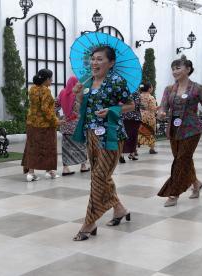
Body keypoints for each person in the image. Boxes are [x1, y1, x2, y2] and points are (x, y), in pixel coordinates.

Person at [72, 46, 135, 241]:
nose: (94, 63)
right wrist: (78, 95)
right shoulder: (88, 81)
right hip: (91, 133)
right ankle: (119, 209)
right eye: (93, 59)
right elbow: (79, 110)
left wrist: (112, 111)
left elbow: (131, 105)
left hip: (111, 135)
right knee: (100, 176)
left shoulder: (117, 82)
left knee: (99, 176)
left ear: (111, 63)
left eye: (99, 59)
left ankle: (89, 223)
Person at [157, 55, 202, 207]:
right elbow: (163, 106)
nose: (175, 71)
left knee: (180, 160)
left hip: (191, 129)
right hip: (174, 129)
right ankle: (196, 184)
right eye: (173, 69)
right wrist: (161, 112)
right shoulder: (169, 89)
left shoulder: (198, 88)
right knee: (184, 159)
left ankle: (173, 193)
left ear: (188, 69)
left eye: (178, 68)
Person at [22, 69, 60, 180]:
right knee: (49, 149)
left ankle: (31, 173)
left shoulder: (32, 89)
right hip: (45, 126)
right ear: (46, 79)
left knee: (32, 147)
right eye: (51, 78)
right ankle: (50, 172)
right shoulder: (46, 91)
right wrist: (56, 121)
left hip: (31, 123)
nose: (52, 81)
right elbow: (45, 109)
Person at [56, 76, 89, 176]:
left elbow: (55, 106)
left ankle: (66, 168)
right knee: (81, 146)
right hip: (77, 125)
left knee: (66, 147)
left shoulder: (62, 93)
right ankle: (83, 166)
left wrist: (58, 118)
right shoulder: (78, 94)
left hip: (65, 124)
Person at [120, 91, 142, 163]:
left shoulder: (122, 91)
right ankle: (131, 153)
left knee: (125, 135)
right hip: (135, 118)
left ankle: (122, 154)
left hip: (124, 116)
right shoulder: (135, 92)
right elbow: (138, 104)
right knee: (133, 136)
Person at [138, 82, 158, 154]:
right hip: (149, 117)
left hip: (139, 116)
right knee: (151, 131)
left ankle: (135, 150)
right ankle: (152, 148)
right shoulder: (151, 97)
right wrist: (159, 107)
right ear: (149, 89)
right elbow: (153, 108)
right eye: (151, 87)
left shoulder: (138, 96)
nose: (152, 88)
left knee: (139, 132)